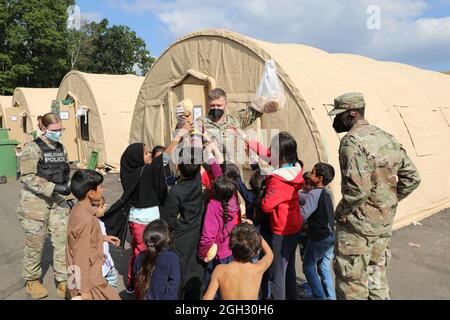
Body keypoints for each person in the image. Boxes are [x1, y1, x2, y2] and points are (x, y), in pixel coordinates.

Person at [329, 92, 421, 300]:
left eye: (339, 115)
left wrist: (340, 213)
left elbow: (358, 191)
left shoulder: (351, 142)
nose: (336, 121)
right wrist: (387, 201)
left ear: (351, 115)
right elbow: (413, 178)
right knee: (377, 281)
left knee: (352, 286)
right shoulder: (386, 137)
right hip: (382, 226)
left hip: (357, 229)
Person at [102, 124, 191, 294]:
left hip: (135, 220)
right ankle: (141, 289)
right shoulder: (144, 172)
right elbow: (163, 159)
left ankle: (131, 281)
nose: (149, 154)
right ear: (136, 158)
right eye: (145, 152)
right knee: (145, 256)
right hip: (145, 221)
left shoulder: (129, 172)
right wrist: (178, 137)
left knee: (137, 252)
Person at [17, 112, 71, 299]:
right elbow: (27, 177)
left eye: (60, 129)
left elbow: (64, 173)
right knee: (35, 243)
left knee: (63, 241)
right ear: (43, 128)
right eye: (54, 130)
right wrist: (53, 187)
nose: (58, 133)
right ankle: (32, 281)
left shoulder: (61, 148)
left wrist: (68, 189)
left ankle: (63, 280)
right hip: (35, 202)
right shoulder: (32, 149)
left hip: (56, 200)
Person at [260, 132, 304, 300]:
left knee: (277, 274)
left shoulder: (278, 180)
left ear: (281, 153)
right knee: (289, 270)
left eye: (273, 148)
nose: (270, 151)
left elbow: (266, 205)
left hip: (281, 231)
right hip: (295, 226)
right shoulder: (295, 170)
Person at [66, 170, 121, 300]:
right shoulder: (87, 220)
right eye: (100, 187)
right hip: (89, 279)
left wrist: (103, 238)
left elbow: (80, 240)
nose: (103, 189)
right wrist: (83, 291)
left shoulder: (77, 209)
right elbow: (80, 256)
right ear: (91, 193)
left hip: (77, 274)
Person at [161, 147, 207, 300]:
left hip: (181, 239)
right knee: (196, 274)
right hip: (199, 233)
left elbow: (169, 221)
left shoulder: (176, 191)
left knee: (179, 276)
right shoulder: (197, 180)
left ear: (178, 167)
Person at [203, 223, 273, 300]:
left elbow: (207, 298)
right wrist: (255, 232)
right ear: (256, 252)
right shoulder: (258, 269)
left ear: (230, 246)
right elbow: (269, 254)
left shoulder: (220, 270)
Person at [198, 176, 240, 297]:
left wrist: (202, 254)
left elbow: (207, 237)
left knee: (212, 290)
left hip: (217, 255)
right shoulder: (233, 200)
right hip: (231, 251)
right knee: (228, 290)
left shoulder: (213, 206)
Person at [299, 163, 336, 300]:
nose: (310, 175)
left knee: (308, 267)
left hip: (319, 238)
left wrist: (291, 210)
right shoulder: (326, 192)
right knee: (323, 267)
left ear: (319, 178)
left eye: (313, 173)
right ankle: (330, 297)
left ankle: (320, 297)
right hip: (330, 235)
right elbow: (308, 199)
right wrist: (295, 197)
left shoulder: (314, 193)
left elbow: (303, 214)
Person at [200, 88, 264, 162]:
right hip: (211, 169)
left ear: (225, 105)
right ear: (208, 105)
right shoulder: (201, 123)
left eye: (219, 105)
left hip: (232, 169)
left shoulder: (234, 121)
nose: (215, 108)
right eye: (212, 105)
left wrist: (266, 101)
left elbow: (254, 112)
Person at [134, 219, 180, 300]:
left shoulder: (140, 256)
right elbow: (173, 286)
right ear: (167, 240)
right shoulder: (172, 258)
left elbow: (137, 276)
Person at [93, 196, 119, 288]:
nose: (105, 208)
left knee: (113, 278)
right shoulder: (92, 224)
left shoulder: (98, 220)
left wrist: (106, 238)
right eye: (102, 206)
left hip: (106, 262)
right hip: (100, 264)